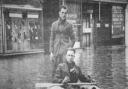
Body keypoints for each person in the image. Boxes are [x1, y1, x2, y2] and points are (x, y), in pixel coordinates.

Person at [49, 5, 75, 77]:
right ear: (59, 13)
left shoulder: (69, 25)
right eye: (62, 12)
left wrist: (69, 49)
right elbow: (51, 39)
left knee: (65, 72)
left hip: (64, 53)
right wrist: (51, 52)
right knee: (54, 72)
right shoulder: (54, 25)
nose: (64, 15)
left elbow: (73, 39)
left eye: (65, 13)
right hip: (55, 52)